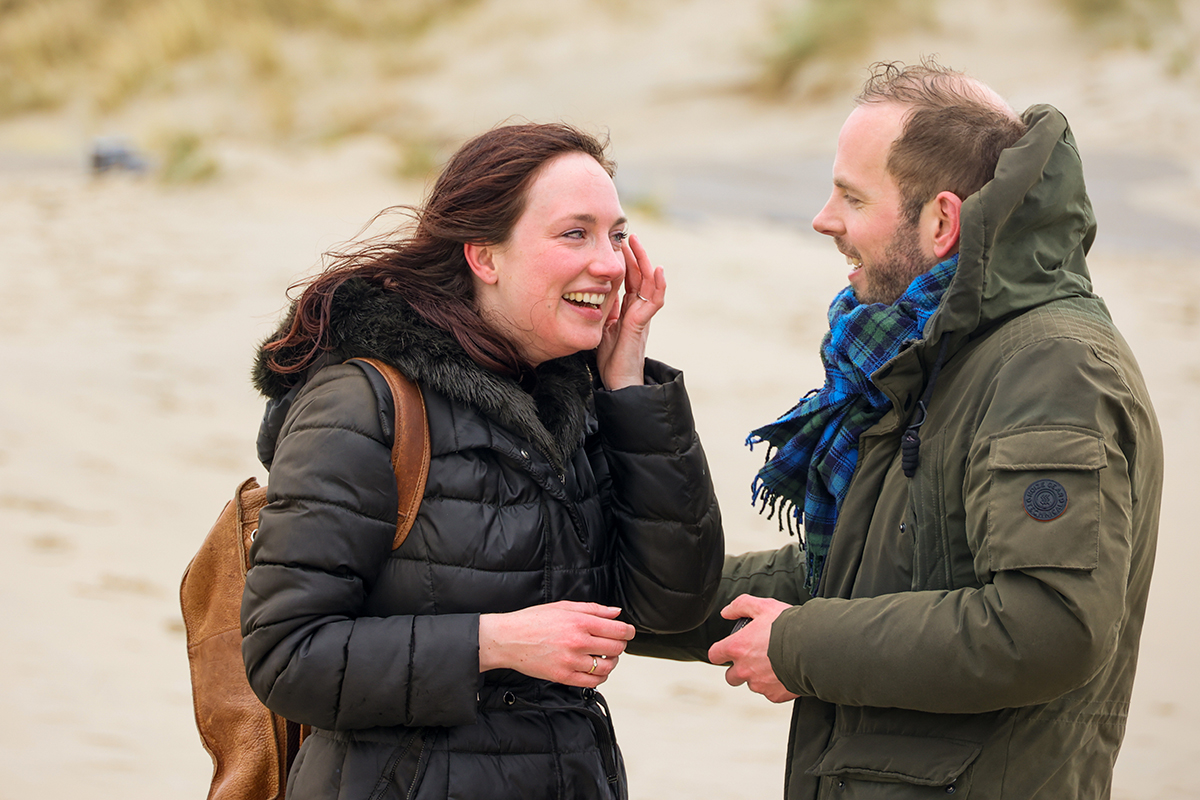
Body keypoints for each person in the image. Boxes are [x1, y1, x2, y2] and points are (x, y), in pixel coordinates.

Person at [632, 60, 1162, 798]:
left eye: (851, 196)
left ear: (941, 220)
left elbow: (1049, 626)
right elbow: (845, 577)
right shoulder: (933, 354)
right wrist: (598, 591)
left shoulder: (1051, 367)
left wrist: (797, 645)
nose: (825, 218)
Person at [240, 122, 724, 800]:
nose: (612, 264)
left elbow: (672, 602)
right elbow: (286, 656)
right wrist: (490, 643)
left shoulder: (577, 395)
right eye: (573, 233)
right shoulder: (364, 403)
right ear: (484, 257)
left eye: (616, 234)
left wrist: (631, 392)